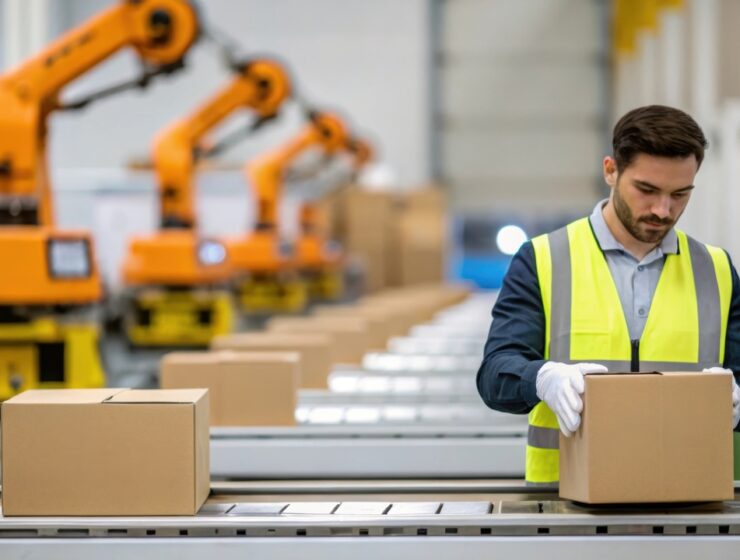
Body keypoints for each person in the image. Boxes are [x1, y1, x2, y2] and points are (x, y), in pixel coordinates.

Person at [477, 105, 740, 486]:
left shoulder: (715, 269)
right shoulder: (544, 259)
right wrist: (542, 378)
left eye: (680, 194)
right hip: (566, 506)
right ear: (610, 171)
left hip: (689, 502)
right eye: (647, 190)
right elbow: (494, 374)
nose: (663, 210)